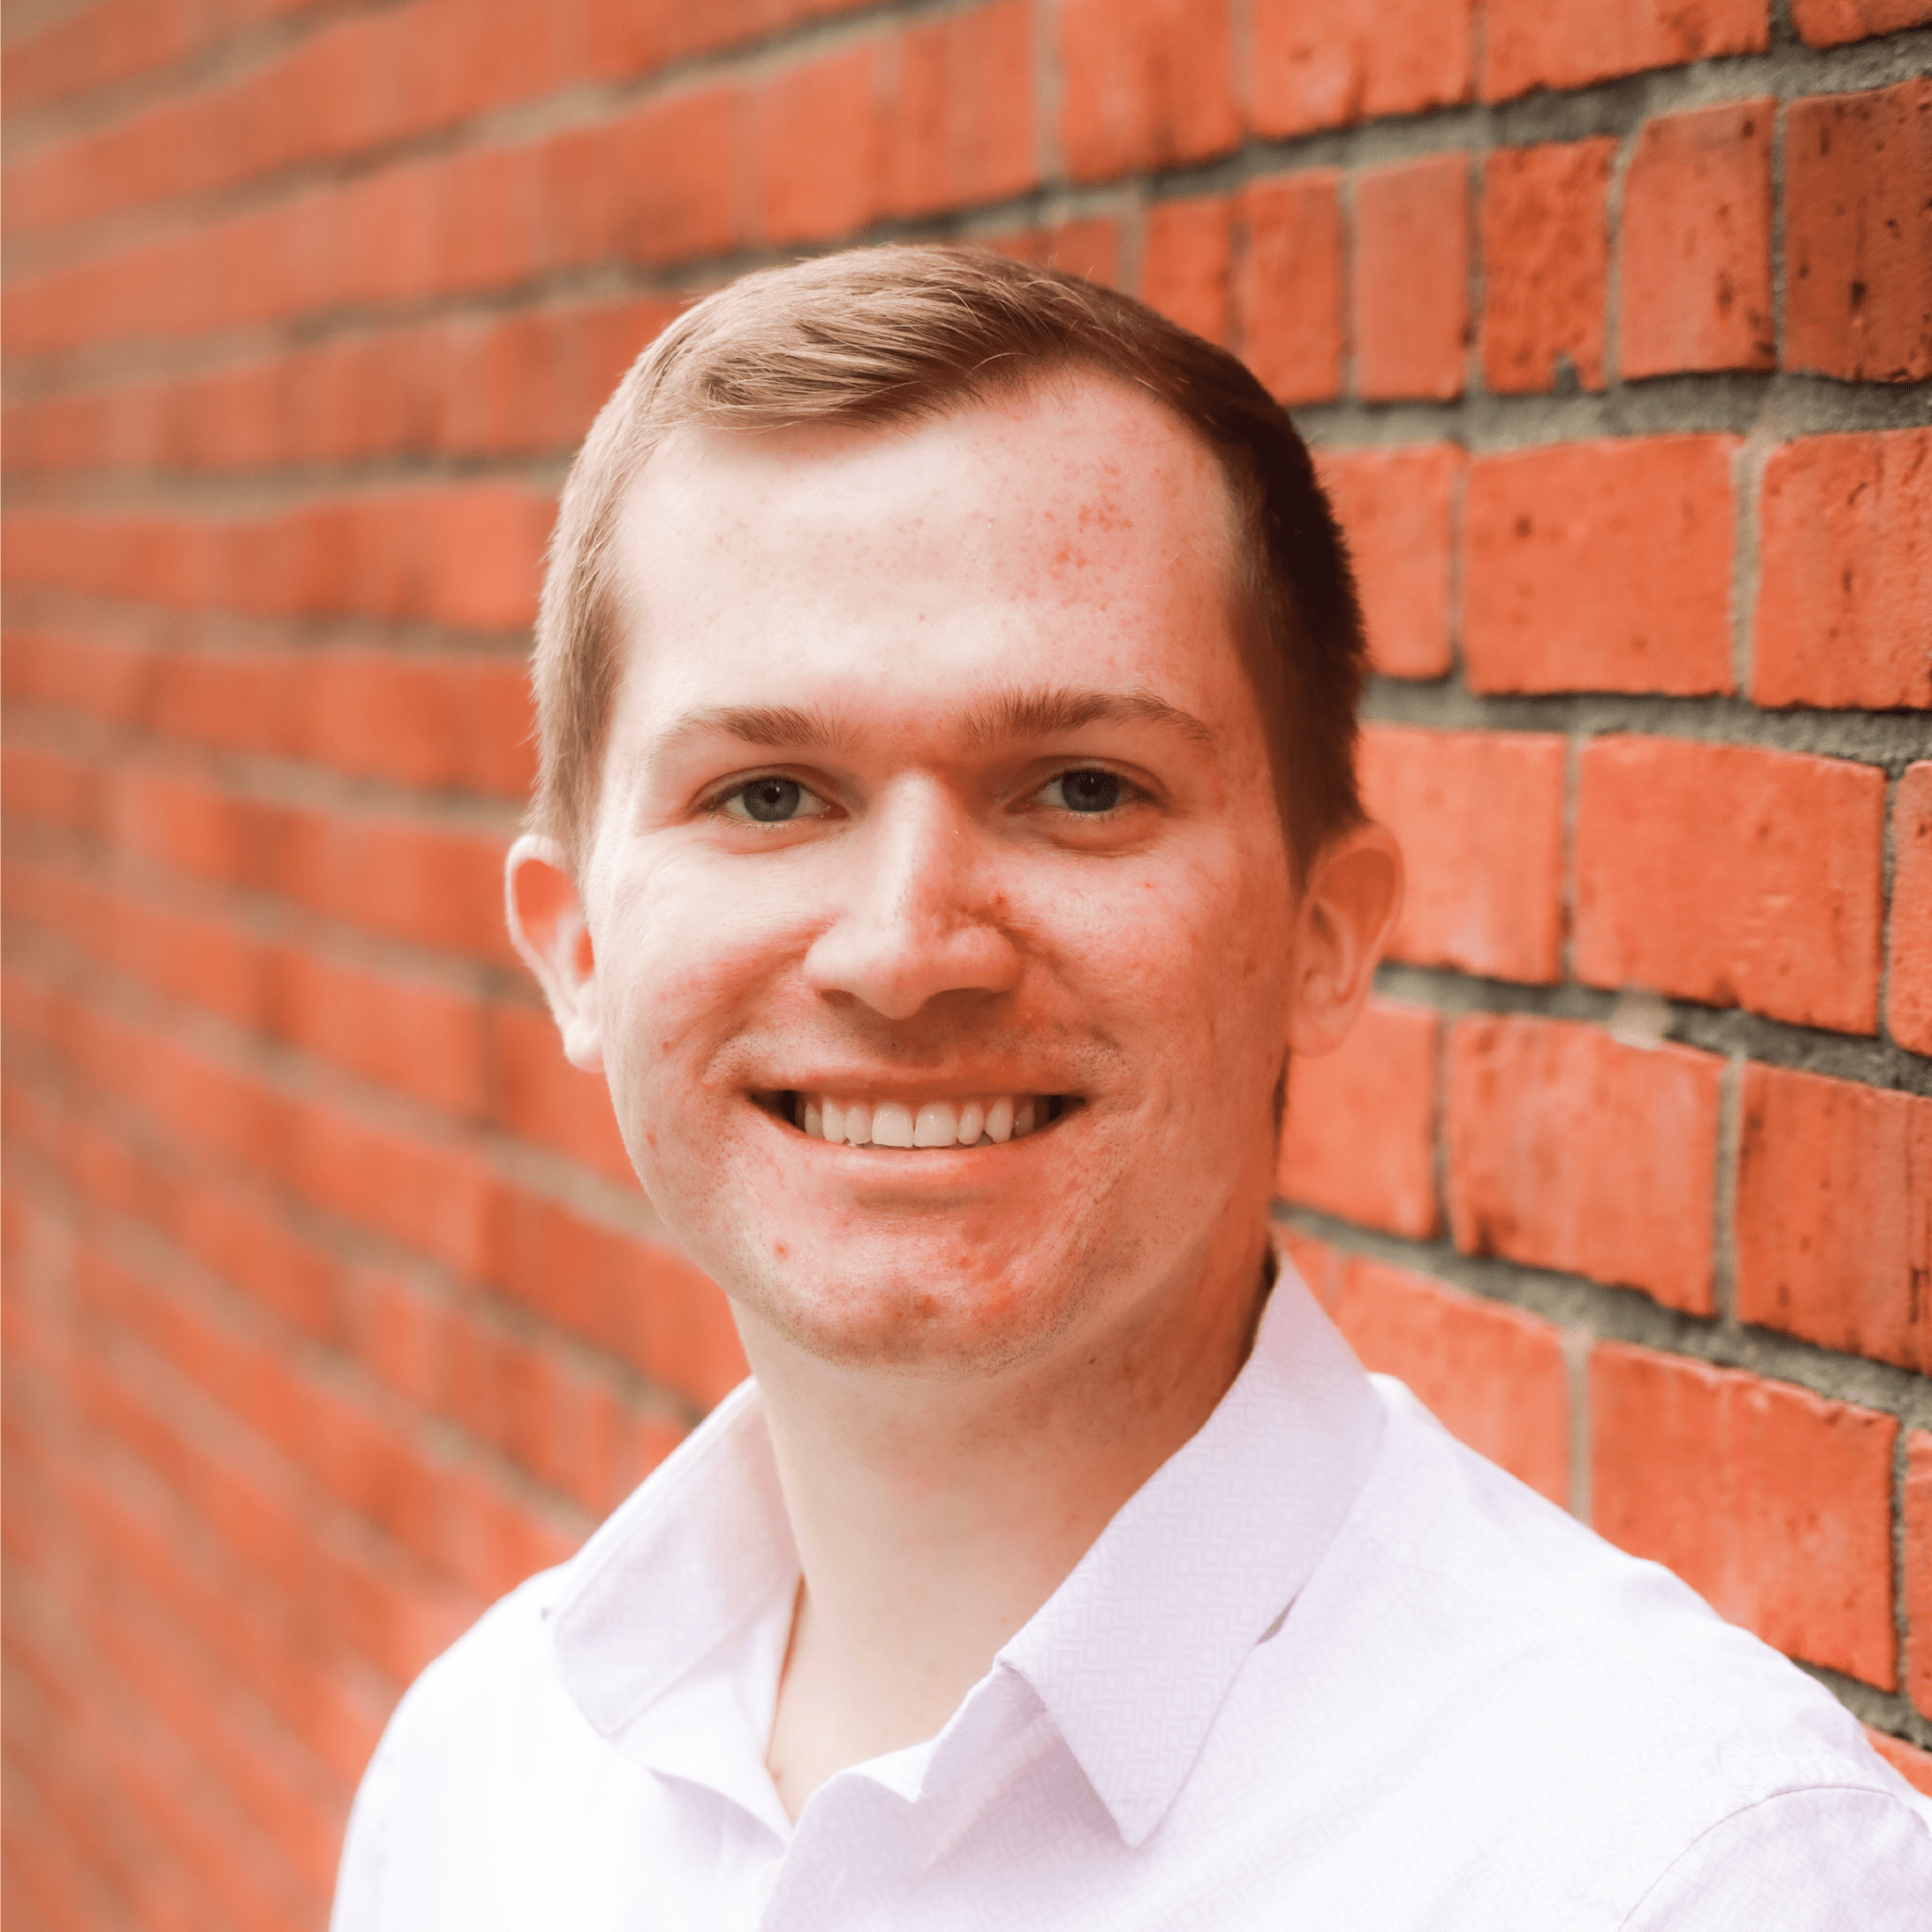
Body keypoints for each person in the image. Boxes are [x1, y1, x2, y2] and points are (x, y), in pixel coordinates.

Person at [330, 246, 1931, 1928]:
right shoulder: (477, 1789)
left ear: (1322, 936)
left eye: (1082, 788)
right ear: (578, 949)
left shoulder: (1694, 1870)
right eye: (769, 795)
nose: (905, 950)